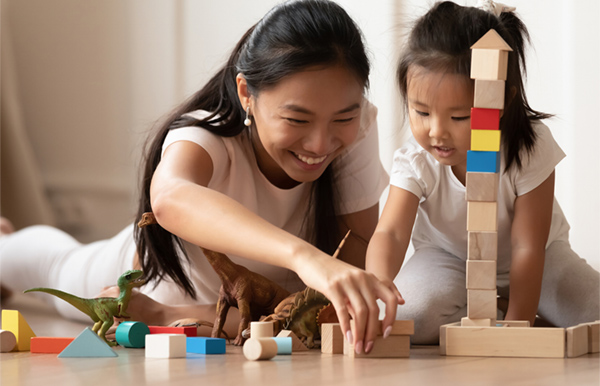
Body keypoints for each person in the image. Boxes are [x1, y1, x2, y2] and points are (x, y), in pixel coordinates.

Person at [0, 0, 402, 354]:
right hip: (146, 276)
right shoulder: (205, 135)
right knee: (54, 267)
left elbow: (355, 252)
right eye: (297, 119)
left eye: (343, 117)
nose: (320, 142)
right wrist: (304, 257)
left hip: (226, 311)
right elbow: (171, 198)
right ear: (246, 93)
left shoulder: (358, 128)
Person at [365, 0, 600, 344]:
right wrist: (378, 288)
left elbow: (526, 247)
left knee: (593, 312)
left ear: (501, 101)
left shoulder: (529, 147)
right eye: (421, 112)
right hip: (448, 258)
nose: (437, 132)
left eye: (459, 117)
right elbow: (391, 234)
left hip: (540, 258)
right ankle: (493, 309)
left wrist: (519, 326)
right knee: (409, 318)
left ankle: (515, 309)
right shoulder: (416, 159)